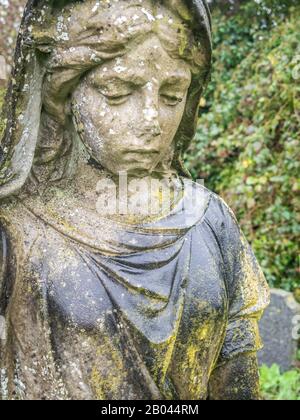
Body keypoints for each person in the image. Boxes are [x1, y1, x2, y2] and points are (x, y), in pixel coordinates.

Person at [0, 0, 269, 400]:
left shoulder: (211, 220)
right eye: (118, 92)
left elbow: (237, 380)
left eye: (172, 95)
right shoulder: (18, 232)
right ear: (62, 96)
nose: (150, 121)